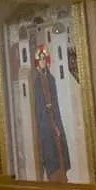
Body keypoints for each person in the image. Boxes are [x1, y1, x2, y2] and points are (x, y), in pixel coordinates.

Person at [32, 46, 71, 182]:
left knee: (59, 144)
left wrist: (56, 121)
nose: (42, 62)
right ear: (38, 62)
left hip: (54, 116)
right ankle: (53, 178)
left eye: (44, 59)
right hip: (45, 120)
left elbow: (54, 101)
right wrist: (46, 122)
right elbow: (38, 105)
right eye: (40, 59)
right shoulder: (37, 82)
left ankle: (62, 176)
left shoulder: (52, 79)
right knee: (49, 148)